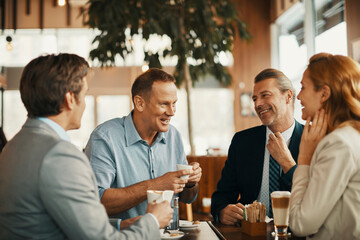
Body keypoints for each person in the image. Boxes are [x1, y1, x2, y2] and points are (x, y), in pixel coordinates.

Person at [0, 54, 173, 240]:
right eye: (85, 94)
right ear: (70, 99)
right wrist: (153, 221)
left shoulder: (13, 146)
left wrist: (119, 224)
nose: (85, 103)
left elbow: (50, 219)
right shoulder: (61, 156)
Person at [85, 68, 202, 219]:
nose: (172, 112)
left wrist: (190, 182)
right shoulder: (104, 138)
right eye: (164, 104)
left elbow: (187, 198)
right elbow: (96, 202)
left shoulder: (174, 136)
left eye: (174, 103)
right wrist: (156, 185)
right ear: (140, 103)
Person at [211, 68, 304, 224]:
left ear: (288, 96)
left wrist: (288, 163)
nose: (258, 104)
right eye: (254, 99)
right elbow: (221, 196)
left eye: (265, 95)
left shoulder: (313, 140)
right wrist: (222, 211)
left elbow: (313, 197)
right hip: (250, 233)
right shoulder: (242, 141)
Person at [289, 53, 360, 239]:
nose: (299, 96)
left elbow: (300, 224)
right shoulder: (351, 136)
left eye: (303, 87)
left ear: (325, 93)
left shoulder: (338, 143)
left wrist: (304, 159)